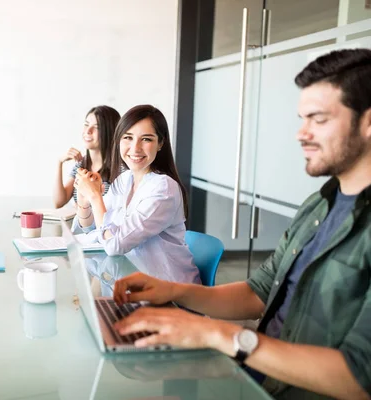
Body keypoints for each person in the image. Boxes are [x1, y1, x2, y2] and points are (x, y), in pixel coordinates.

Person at [112, 49, 371, 400]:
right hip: (256, 375)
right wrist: (173, 291)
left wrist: (217, 335)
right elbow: (257, 293)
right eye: (301, 118)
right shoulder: (319, 204)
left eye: (319, 119)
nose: (301, 133)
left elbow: (359, 379)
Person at [74, 105, 200, 284]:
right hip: (131, 283)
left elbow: (114, 245)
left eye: (146, 139)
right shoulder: (125, 179)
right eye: (128, 138)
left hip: (169, 294)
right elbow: (93, 229)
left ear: (160, 144)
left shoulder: (163, 189)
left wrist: (95, 198)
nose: (135, 148)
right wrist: (84, 200)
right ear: (118, 141)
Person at [53, 105, 120, 208]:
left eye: (97, 127)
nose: (88, 131)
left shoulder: (120, 168)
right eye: (86, 124)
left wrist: (83, 209)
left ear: (110, 132)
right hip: (83, 223)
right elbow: (59, 202)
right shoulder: (81, 165)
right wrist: (59, 163)